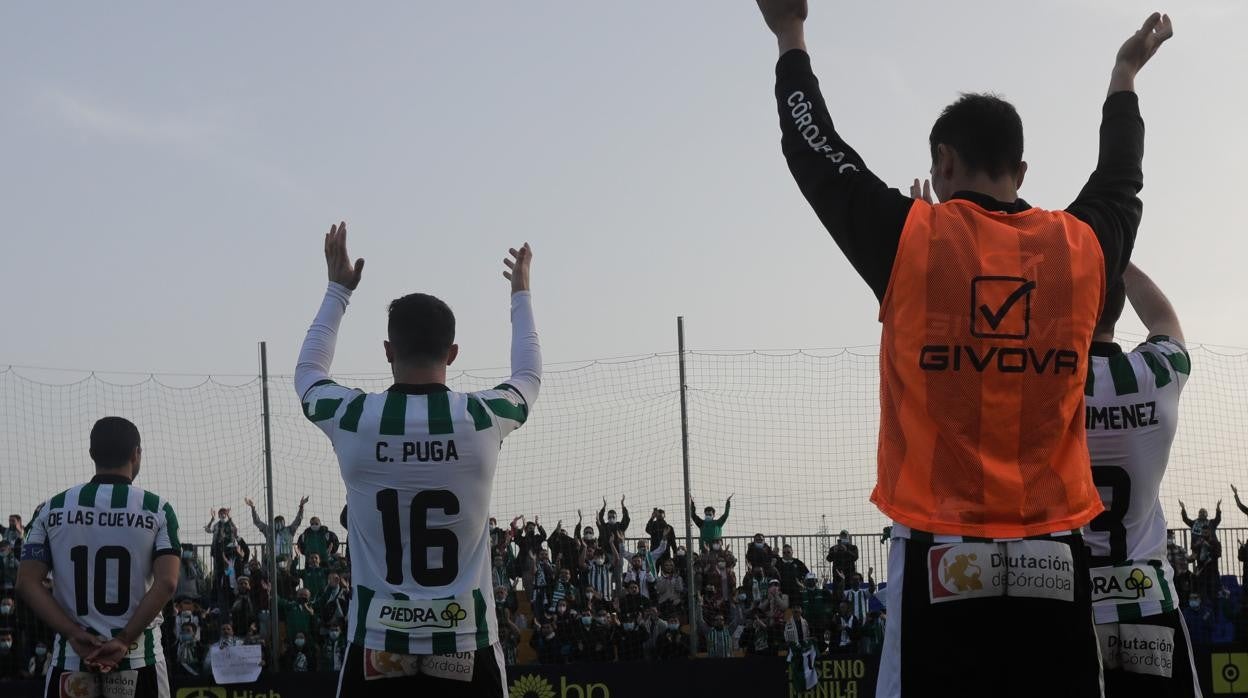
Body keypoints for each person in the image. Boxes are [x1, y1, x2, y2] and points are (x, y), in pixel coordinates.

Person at [753, 1, 1171, 694]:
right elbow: (1123, 175)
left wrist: (790, 37)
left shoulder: (912, 241)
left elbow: (815, 150)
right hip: (1056, 562)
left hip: (939, 559)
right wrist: (1124, 76)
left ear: (943, 162)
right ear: (1022, 168)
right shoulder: (1082, 248)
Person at [295, 224, 539, 697]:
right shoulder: (484, 416)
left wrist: (338, 290)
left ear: (388, 351)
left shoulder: (353, 417)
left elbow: (308, 373)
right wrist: (521, 294)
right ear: (452, 353)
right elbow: (527, 374)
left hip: (377, 643)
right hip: (466, 639)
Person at [1083, 264, 1200, 696]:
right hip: (1149, 602)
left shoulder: (1042, 380)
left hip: (1074, 609)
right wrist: (1118, 253)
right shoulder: (1159, 373)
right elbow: (1164, 319)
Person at [16, 417, 180, 698]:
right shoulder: (158, 509)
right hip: (141, 658)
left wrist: (72, 633)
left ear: (92, 453)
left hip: (72, 660)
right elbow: (167, 583)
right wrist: (123, 640)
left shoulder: (52, 508)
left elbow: (26, 583)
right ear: (136, 453)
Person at [245, 495, 308, 562]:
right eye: (277, 523)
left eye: (280, 523)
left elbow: (298, 520)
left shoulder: (289, 530)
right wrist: (252, 508)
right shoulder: (269, 530)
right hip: (272, 561)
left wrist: (301, 507)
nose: (279, 525)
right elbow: (257, 521)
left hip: (286, 560)